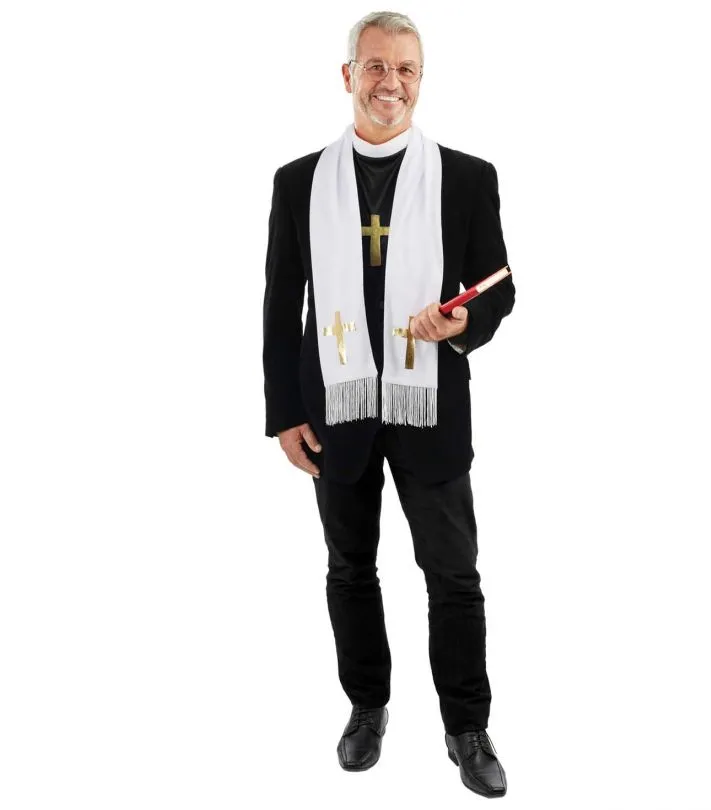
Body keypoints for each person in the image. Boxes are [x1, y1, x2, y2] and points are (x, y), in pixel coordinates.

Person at [262, 11, 515, 799]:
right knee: (349, 566)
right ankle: (367, 706)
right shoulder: (299, 183)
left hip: (429, 406)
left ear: (421, 79)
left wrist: (463, 322)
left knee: (454, 575)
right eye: (374, 66)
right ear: (348, 76)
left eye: (405, 69)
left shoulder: (467, 178)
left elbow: (499, 289)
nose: (389, 83)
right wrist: (283, 412)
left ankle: (467, 726)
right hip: (335, 410)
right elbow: (280, 306)